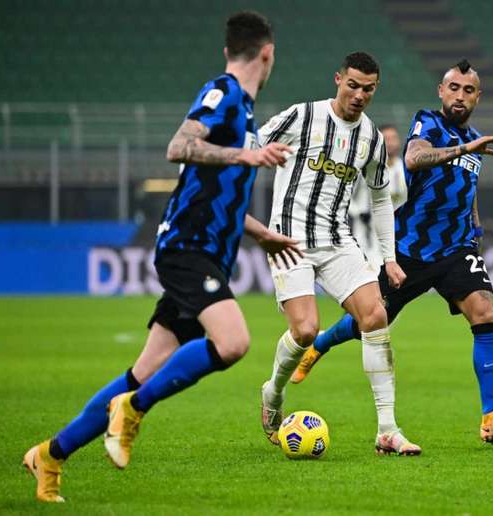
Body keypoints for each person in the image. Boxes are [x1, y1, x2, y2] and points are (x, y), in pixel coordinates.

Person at [22, 11, 300, 503]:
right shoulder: (224, 92)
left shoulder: (246, 110)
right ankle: (134, 409)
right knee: (232, 343)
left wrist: (260, 234)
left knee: (143, 370)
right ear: (268, 52)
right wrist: (244, 156)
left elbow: (220, 189)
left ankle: (51, 454)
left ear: (229, 48)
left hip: (209, 250)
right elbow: (179, 146)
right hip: (187, 249)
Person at [290, 59, 493, 444]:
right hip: (409, 249)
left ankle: (491, 414)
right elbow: (415, 158)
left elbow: (468, 190)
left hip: (455, 247)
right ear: (441, 91)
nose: (460, 96)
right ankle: (319, 345)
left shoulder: (477, 141)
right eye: (453, 88)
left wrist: (476, 230)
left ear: (478, 97)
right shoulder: (428, 123)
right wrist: (467, 147)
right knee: (373, 318)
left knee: (484, 311)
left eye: (468, 91)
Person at [257, 51, 421, 456]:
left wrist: (389, 257)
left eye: (368, 89)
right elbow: (253, 146)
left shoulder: (371, 139)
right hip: (289, 241)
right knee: (306, 331)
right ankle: (273, 392)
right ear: (338, 80)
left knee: (375, 314)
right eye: (353, 85)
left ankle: (387, 429)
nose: (360, 95)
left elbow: (382, 198)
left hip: (337, 240)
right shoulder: (302, 116)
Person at [349, 124, 408, 266]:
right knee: (370, 270)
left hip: (397, 231)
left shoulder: (405, 170)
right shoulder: (364, 169)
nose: (390, 143)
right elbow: (348, 196)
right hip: (366, 231)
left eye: (393, 138)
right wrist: (358, 212)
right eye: (386, 139)